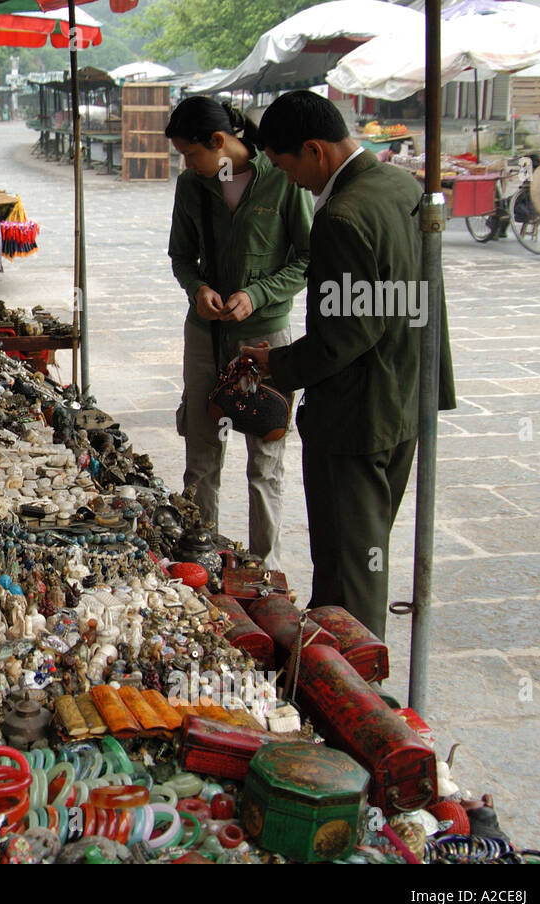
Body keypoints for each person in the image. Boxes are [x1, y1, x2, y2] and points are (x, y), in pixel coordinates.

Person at [242, 90, 456, 641]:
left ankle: (357, 687)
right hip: (406, 396)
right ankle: (339, 651)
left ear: (314, 150)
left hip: (358, 412)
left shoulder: (340, 215)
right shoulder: (400, 187)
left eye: (288, 165)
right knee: (368, 545)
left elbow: (345, 334)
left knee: (350, 562)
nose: (290, 180)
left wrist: (276, 364)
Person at [166, 97, 313, 570]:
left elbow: (307, 259)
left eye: (191, 154)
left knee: (265, 459)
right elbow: (181, 257)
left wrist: (259, 294)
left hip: (266, 341)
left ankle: (262, 568)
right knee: (201, 450)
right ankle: (200, 557)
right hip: (206, 337)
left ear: (219, 141)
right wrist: (199, 288)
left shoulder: (283, 179)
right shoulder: (192, 187)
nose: (187, 165)